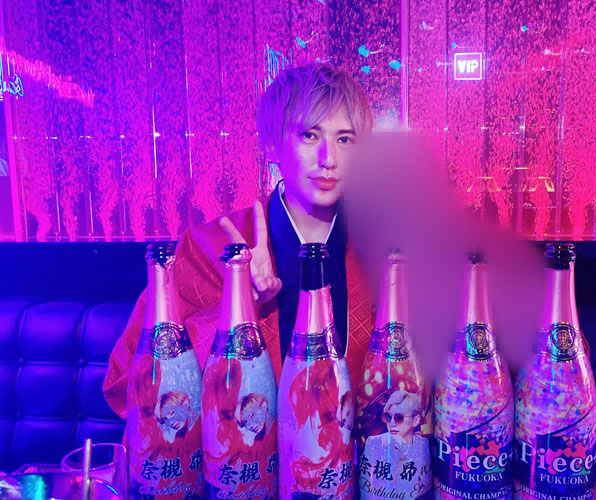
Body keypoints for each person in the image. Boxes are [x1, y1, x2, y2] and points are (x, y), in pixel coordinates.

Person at [103, 61, 375, 419]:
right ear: (272, 145)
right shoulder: (207, 246)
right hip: (242, 451)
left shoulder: (379, 250)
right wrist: (239, 306)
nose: (329, 159)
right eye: (310, 135)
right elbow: (126, 385)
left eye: (345, 139)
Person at [361, 390, 431, 498]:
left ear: (416, 420)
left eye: (399, 417)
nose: (392, 423)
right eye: (388, 417)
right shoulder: (374, 443)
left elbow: (423, 485)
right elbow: (366, 488)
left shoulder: (423, 445)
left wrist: (406, 451)